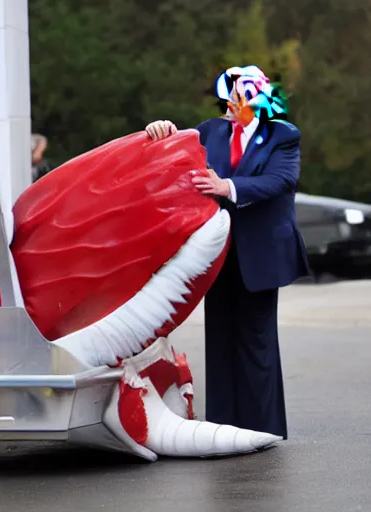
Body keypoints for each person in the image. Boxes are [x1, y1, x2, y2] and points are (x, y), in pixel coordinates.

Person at [145, 65, 309, 438]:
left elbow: (280, 180)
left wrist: (227, 186)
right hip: (216, 252)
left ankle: (262, 429)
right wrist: (162, 131)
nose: (234, 99)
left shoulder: (282, 134)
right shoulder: (210, 130)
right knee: (218, 340)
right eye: (232, 91)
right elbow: (177, 156)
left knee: (256, 341)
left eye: (244, 91)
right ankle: (221, 428)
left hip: (262, 252)